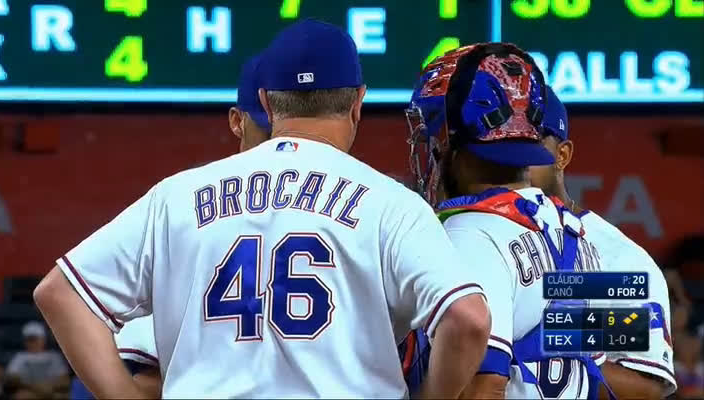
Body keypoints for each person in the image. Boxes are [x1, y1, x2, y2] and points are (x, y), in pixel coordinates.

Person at [33, 19, 490, 398]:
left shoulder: (177, 196)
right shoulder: (391, 204)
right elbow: (468, 318)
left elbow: (60, 292)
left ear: (268, 103)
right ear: (357, 102)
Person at [401, 43, 611, 399]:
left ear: (453, 138)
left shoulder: (470, 233)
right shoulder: (576, 233)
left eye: (434, 131)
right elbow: (596, 372)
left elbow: (485, 388)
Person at [107, 53, 275, 398]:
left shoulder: (185, 205)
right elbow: (150, 383)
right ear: (237, 122)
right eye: (267, 131)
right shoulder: (186, 208)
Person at [529, 87, 677, 399]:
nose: (513, 159)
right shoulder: (473, 235)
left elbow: (647, 389)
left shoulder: (618, 260)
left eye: (530, 144)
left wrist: (551, 336)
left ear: (562, 155)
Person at [4, 322, 69, 399]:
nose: (33, 343)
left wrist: (49, 388)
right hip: (29, 391)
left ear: (43, 339)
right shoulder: (19, 357)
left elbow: (65, 380)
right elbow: (12, 378)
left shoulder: (54, 356)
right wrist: (36, 388)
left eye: (36, 339)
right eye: (30, 340)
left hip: (51, 392)